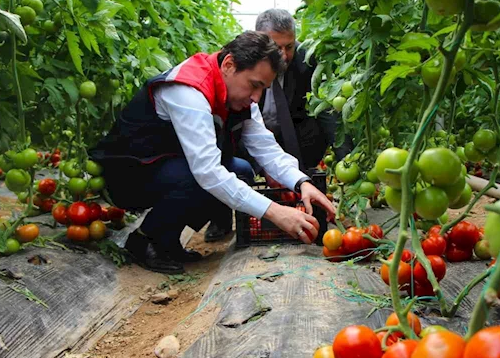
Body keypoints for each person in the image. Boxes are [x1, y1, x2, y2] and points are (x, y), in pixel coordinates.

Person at [90, 31, 336, 274]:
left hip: (166, 166)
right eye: (254, 85)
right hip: (127, 175)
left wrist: (301, 181)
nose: (256, 98)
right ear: (229, 64)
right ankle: (144, 239)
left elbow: (266, 148)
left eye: (263, 89)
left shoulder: (240, 96)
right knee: (200, 178)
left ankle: (167, 239)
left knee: (240, 170)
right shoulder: (188, 90)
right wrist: (275, 211)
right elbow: (208, 173)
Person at [205, 9, 349, 242]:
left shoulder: (307, 61)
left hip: (292, 132)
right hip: (245, 134)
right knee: (232, 162)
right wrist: (263, 168)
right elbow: (247, 134)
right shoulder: (243, 64)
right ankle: (221, 218)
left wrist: (344, 161)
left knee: (316, 126)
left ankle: (302, 199)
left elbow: (328, 112)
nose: (282, 54)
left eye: (289, 46)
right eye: (276, 46)